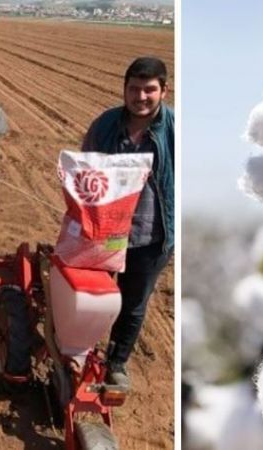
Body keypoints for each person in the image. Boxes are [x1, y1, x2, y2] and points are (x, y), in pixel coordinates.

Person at [81, 57, 174, 389]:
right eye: (134, 89)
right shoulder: (105, 126)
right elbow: (85, 169)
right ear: (125, 89)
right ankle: (82, 353)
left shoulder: (175, 130)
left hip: (151, 236)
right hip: (106, 232)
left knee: (133, 304)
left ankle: (116, 362)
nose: (141, 96)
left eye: (150, 89)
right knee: (93, 297)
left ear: (163, 90)